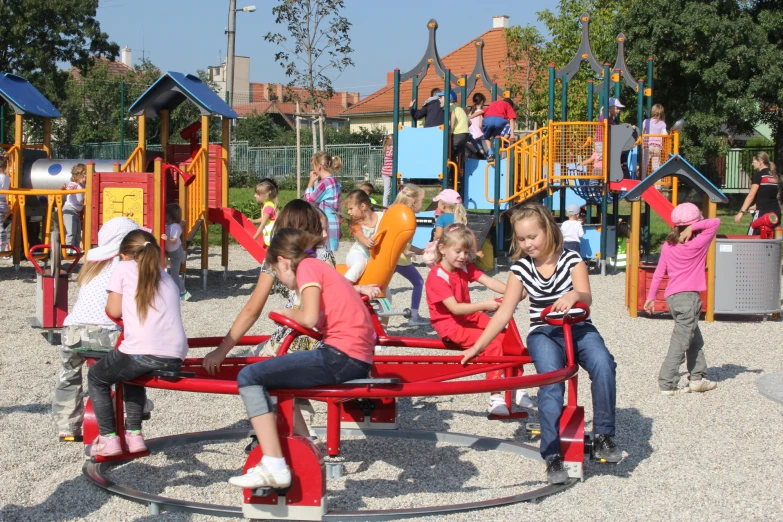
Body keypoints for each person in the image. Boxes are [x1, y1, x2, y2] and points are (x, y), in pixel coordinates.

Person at [463, 203, 621, 484]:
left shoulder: (572, 260)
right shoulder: (521, 270)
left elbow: (586, 296)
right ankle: (552, 455)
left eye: (532, 237)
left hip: (579, 327)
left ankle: (603, 436)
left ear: (548, 231)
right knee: (550, 383)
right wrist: (477, 348)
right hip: (545, 332)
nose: (527, 244)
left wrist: (573, 297)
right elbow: (503, 314)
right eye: (521, 239)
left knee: (603, 364)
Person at [227, 228, 375, 490]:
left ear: (284, 261)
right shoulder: (319, 266)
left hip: (341, 355)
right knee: (277, 380)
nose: (281, 281)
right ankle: (305, 443)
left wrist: (286, 311)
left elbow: (307, 317)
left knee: (249, 376)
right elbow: (318, 320)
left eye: (277, 272)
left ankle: (273, 463)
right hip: (354, 355)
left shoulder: (307, 267)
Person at [85, 230, 188, 457]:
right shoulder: (164, 274)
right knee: (131, 374)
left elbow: (112, 310)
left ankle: (108, 439)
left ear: (123, 255)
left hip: (142, 350)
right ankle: (134, 436)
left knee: (97, 377)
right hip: (175, 353)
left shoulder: (123, 268)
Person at [51, 217, 141, 442]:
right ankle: (137, 413)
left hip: (73, 332)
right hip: (106, 334)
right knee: (134, 364)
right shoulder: (127, 267)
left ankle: (67, 425)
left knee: (69, 375)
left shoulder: (91, 265)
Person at [425, 223, 529, 415]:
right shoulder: (437, 277)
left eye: (466, 252)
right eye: (458, 251)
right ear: (442, 249)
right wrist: (485, 305)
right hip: (451, 326)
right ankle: (495, 395)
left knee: (506, 337)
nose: (462, 257)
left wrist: (512, 292)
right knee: (491, 345)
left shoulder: (464, 268)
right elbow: (455, 308)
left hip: (468, 317)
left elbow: (488, 281)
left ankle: (517, 383)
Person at [644, 203, 720, 396]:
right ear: (693, 224)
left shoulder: (668, 245)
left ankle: (697, 378)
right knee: (681, 341)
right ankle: (667, 383)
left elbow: (660, 272)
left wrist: (651, 297)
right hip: (689, 299)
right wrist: (692, 228)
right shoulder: (698, 242)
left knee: (694, 338)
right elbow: (715, 222)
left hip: (673, 298)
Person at [392, 184, 429, 326]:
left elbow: (402, 241)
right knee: (418, 282)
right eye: (422, 201)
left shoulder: (399, 213)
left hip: (394, 258)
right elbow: (398, 239)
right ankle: (414, 316)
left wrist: (418, 250)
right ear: (414, 202)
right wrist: (405, 251)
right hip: (400, 259)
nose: (423, 204)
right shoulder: (408, 218)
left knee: (380, 286)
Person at [734, 151, 782, 234]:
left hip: (763, 213)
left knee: (751, 239)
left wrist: (741, 212)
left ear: (761, 161)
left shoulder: (759, 176)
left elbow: (751, 196)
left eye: (753, 161)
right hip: (776, 213)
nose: (752, 164)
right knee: (771, 239)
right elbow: (768, 195)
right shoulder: (774, 176)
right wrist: (756, 205)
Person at [304, 152, 343, 251]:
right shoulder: (336, 182)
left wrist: (310, 183)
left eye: (313, 166)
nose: (313, 169)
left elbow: (309, 201)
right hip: (335, 222)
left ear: (319, 166)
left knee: (323, 252)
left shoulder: (324, 183)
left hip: (325, 224)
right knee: (332, 254)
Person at [343, 189, 384, 283]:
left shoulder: (382, 217)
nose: (349, 212)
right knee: (360, 263)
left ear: (363, 206)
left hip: (373, 256)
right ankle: (344, 285)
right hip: (358, 253)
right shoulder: (355, 223)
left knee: (382, 281)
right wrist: (367, 242)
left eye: (351, 208)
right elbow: (359, 236)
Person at [161, 203, 190, 302]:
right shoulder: (171, 226)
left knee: (174, 274)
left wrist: (167, 239)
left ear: (169, 216)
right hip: (172, 252)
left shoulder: (174, 227)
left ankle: (183, 293)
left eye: (164, 214)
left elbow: (173, 240)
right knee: (172, 273)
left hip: (176, 253)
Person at [481, 97, 517, 162]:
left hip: (504, 147)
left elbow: (507, 135)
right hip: (498, 145)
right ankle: (491, 155)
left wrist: (499, 140)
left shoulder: (508, 125)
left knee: (503, 157)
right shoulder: (503, 122)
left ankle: (493, 155)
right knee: (486, 139)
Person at [61, 163, 87, 252]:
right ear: (77, 176)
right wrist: (65, 190)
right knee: (71, 231)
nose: (85, 179)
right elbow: (68, 189)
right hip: (69, 210)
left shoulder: (84, 186)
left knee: (78, 232)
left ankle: (76, 247)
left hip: (77, 212)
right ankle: (69, 248)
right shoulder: (74, 184)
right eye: (84, 177)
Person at [250, 178, 279, 245]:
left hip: (272, 240)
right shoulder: (268, 205)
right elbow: (264, 218)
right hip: (273, 239)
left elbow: (262, 225)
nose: (254, 196)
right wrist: (253, 221)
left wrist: (253, 238)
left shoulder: (268, 208)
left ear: (265, 195)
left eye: (257, 194)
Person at [642, 104, 668, 175]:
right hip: (657, 146)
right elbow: (664, 134)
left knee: (644, 165)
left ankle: (642, 181)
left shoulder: (646, 121)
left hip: (647, 145)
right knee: (656, 166)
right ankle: (657, 185)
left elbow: (642, 131)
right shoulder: (662, 123)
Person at [467, 93, 487, 159]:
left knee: (475, 155)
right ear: (481, 102)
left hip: (472, 137)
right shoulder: (481, 112)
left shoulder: (470, 113)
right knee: (486, 153)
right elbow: (480, 125)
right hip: (480, 136)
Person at [380, 133, 394, 206]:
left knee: (391, 190)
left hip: (390, 173)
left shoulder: (388, 148)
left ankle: (389, 205)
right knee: (387, 192)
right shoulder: (390, 148)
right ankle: (385, 208)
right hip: (387, 173)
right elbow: (393, 155)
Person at [0, 155, 9, 252]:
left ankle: (3, 246)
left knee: (0, 226)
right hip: (3, 203)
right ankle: (3, 245)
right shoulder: (6, 178)